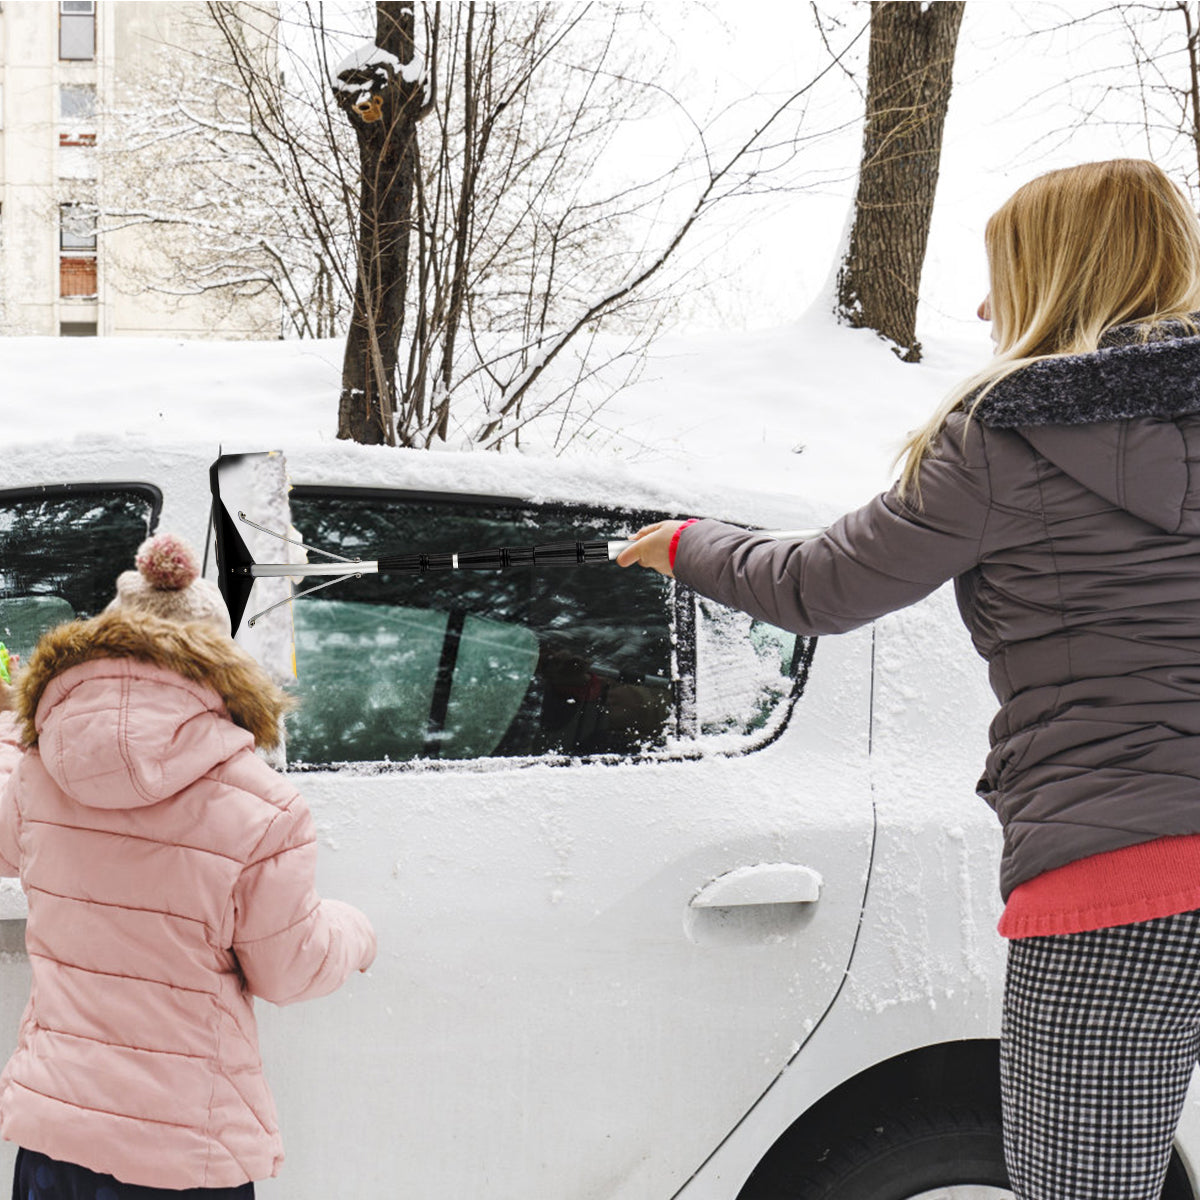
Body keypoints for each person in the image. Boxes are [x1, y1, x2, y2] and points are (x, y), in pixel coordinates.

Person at [619, 158, 1200, 1200]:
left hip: (1120, 882)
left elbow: (821, 586)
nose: (984, 306)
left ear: (1057, 275)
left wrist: (689, 546)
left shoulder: (1008, 438)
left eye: (1002, 273)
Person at [0, 533, 376, 1199]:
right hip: (183, 1155)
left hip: (57, 1141)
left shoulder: (36, 774)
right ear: (219, 659)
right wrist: (353, 931)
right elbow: (288, 970)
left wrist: (14, 725)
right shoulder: (263, 804)